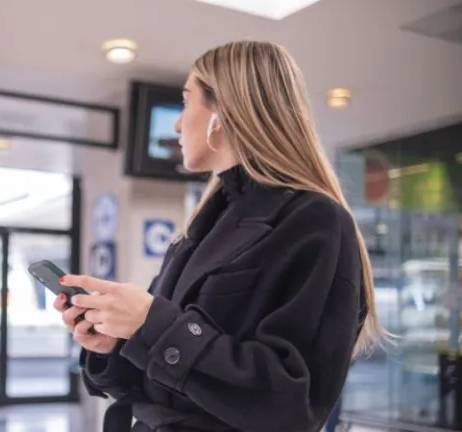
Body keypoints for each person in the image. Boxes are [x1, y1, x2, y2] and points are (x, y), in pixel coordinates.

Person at [53, 40, 386, 432]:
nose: (178, 123)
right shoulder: (202, 226)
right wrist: (115, 343)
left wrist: (151, 322)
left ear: (223, 112)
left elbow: (293, 403)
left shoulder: (315, 221)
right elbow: (169, 382)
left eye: (185, 101)